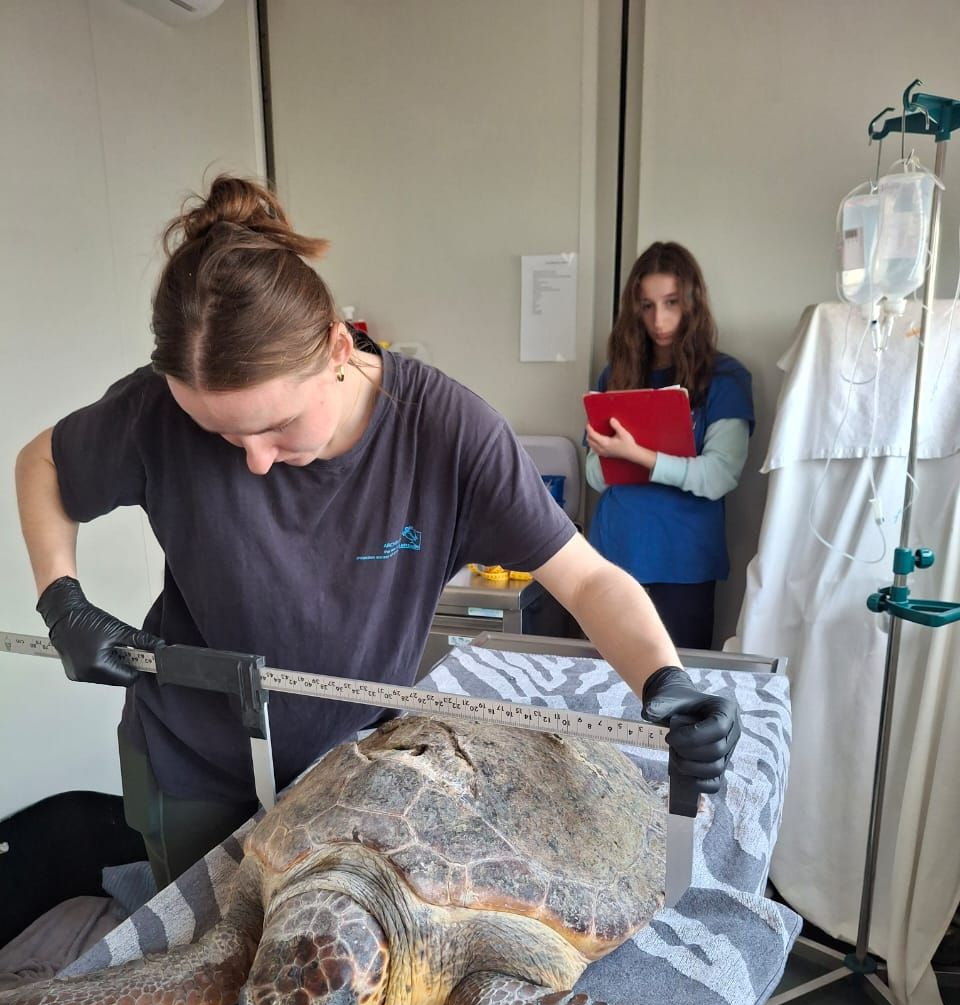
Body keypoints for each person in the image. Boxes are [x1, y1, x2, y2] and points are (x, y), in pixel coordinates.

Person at [16, 177, 741, 890]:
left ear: (337, 349)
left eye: (275, 426)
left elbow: (585, 578)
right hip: (192, 769)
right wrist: (61, 600)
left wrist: (665, 677)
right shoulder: (154, 413)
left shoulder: (447, 433)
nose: (256, 461)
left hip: (355, 769)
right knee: (209, 966)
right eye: (220, 435)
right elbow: (44, 462)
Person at [585, 242, 754, 650]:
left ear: (692, 303)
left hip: (682, 565)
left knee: (675, 694)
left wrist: (636, 456)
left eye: (671, 303)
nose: (659, 320)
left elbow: (718, 476)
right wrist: (608, 455)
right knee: (601, 689)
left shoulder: (725, 378)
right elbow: (594, 475)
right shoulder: (618, 374)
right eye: (646, 306)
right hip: (613, 555)